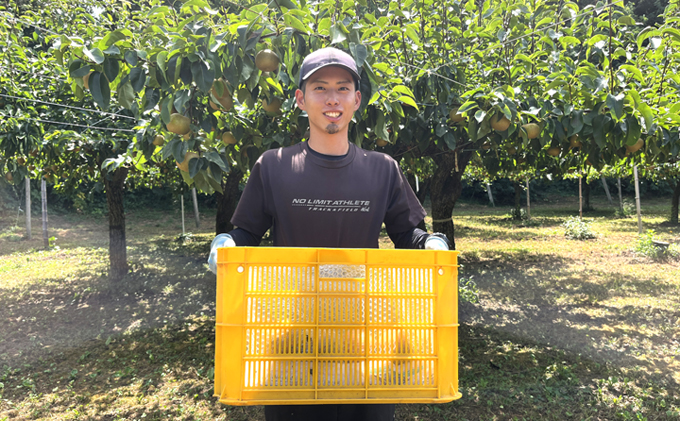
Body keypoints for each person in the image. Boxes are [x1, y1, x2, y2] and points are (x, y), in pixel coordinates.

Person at [208, 47, 450, 421]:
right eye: (320, 88)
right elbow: (246, 233)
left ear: (357, 99)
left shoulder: (383, 169)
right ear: (301, 100)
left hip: (367, 339)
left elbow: (408, 236)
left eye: (342, 87)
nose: (332, 98)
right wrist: (226, 243)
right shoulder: (274, 166)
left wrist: (432, 241)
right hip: (291, 339)